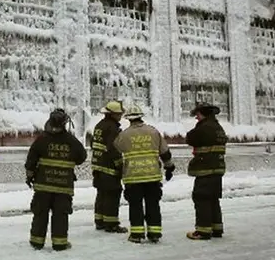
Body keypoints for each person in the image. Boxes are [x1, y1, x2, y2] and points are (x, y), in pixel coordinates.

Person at [25, 108, 88, 251]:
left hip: (43, 186)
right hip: (63, 186)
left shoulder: (41, 139)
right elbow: (82, 157)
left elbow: (31, 160)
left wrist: (29, 176)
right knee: (61, 215)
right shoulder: (71, 141)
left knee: (40, 214)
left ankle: (37, 242)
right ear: (65, 123)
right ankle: (60, 243)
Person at [113, 104, 175, 243]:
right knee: (153, 204)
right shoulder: (154, 132)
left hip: (133, 177)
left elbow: (116, 149)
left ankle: (136, 234)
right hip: (152, 176)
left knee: (135, 205)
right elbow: (165, 152)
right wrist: (169, 167)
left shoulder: (123, 135)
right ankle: (154, 233)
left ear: (128, 119)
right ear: (141, 117)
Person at [185, 102, 228, 240]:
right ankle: (217, 228)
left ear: (204, 114)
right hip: (217, 168)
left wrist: (198, 127)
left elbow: (190, 138)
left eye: (197, 115)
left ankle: (203, 231)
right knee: (213, 198)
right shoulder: (218, 127)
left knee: (201, 197)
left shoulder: (205, 127)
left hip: (205, 168)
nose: (196, 118)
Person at [91, 100, 128, 233]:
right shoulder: (113, 128)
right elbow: (114, 148)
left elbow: (93, 144)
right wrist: (120, 165)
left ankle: (99, 221)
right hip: (109, 166)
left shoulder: (99, 125)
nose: (120, 116)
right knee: (113, 193)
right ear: (112, 114)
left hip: (97, 166)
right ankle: (111, 223)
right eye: (118, 114)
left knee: (101, 193)